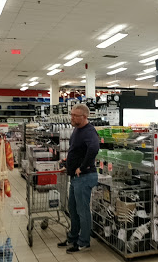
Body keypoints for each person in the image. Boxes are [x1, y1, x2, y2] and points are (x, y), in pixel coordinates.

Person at [58, 104, 99, 253]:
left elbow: (94, 149)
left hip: (85, 177)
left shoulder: (89, 131)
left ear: (84, 117)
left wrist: (82, 167)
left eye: (75, 115)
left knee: (82, 211)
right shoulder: (77, 130)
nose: (72, 117)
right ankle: (73, 237)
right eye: (72, 114)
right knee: (73, 210)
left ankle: (84, 242)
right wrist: (68, 165)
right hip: (75, 177)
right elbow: (75, 151)